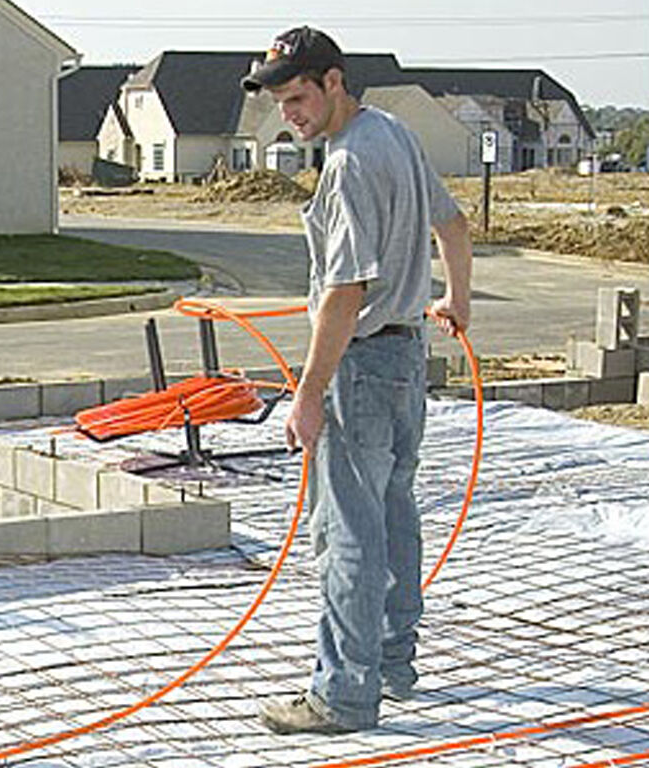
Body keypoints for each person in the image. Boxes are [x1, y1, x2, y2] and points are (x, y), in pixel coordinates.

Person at [241, 27, 473, 734]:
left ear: (334, 82)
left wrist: (308, 396)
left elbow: (345, 290)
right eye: (282, 102)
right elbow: (454, 224)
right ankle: (394, 663)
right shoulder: (395, 134)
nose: (291, 114)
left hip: (363, 365)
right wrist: (456, 302)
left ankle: (342, 693)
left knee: (347, 532)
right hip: (405, 362)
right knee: (393, 515)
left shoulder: (347, 165)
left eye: (300, 97)